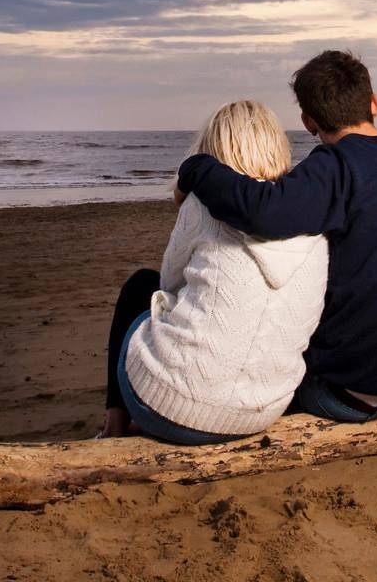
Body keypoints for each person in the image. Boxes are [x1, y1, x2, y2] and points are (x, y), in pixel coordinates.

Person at [176, 50, 377, 422]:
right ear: (374, 104)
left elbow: (262, 211)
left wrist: (197, 167)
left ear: (308, 120)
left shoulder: (338, 165)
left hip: (355, 390)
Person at [100, 99, 329, 443]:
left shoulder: (203, 205)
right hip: (263, 412)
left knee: (140, 287)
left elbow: (169, 283)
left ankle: (113, 426)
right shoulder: (312, 218)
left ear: (214, 149)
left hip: (171, 409)